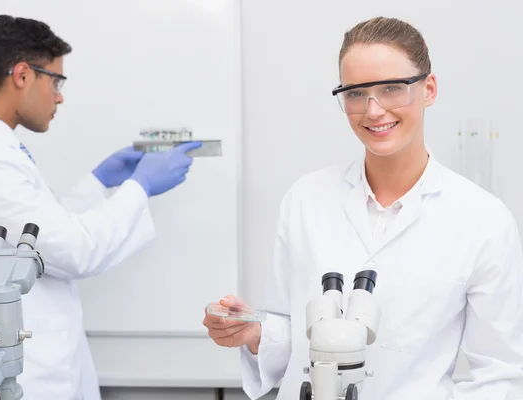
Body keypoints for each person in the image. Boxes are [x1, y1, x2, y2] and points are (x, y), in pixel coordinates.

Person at [203, 16, 523, 400]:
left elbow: (501, 376)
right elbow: (292, 332)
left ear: (429, 89)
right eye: (356, 93)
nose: (373, 110)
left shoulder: (482, 220)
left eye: (392, 88)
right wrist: (255, 333)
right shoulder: (306, 198)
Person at [0, 14, 201, 400]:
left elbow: (35, 236)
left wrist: (98, 182)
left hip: (33, 370)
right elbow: (74, 251)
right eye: (55, 80)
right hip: (11, 379)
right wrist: (140, 187)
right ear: (22, 75)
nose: (59, 95)